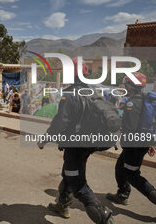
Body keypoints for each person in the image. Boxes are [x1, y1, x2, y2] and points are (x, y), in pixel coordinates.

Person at [38, 57, 114, 224]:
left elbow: (61, 122)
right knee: (68, 174)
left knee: (78, 184)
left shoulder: (70, 94)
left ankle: (105, 219)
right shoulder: (93, 92)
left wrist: (44, 139)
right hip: (90, 143)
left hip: (76, 145)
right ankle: (62, 205)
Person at [106, 72, 156, 223]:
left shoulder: (131, 103)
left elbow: (130, 127)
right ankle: (122, 194)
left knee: (131, 175)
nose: (125, 87)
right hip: (140, 143)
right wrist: (148, 143)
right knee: (120, 166)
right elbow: (147, 124)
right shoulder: (146, 100)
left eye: (126, 84)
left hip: (133, 145)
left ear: (130, 86)